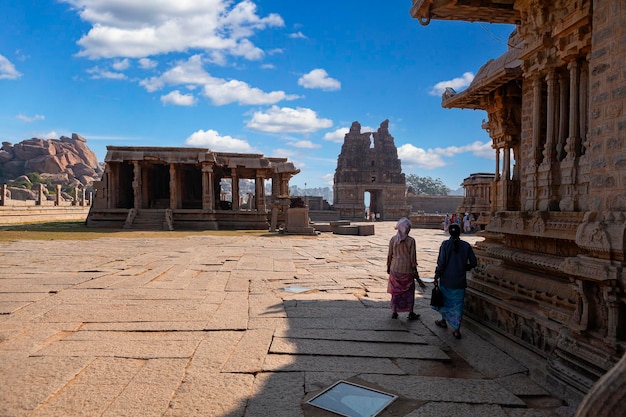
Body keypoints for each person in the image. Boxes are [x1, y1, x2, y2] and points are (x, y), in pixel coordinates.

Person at [432, 223, 477, 338]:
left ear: (449, 233)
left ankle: (443, 321)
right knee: (458, 305)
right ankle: (456, 329)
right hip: (459, 281)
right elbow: (473, 263)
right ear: (460, 232)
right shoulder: (466, 246)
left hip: (446, 280)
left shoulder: (445, 245)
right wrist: (464, 267)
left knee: (445, 301)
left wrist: (436, 276)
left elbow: (441, 263)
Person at [386, 217, 421, 321]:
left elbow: (389, 255)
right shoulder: (411, 241)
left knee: (395, 291)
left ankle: (395, 311)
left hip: (395, 268)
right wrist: (415, 270)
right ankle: (410, 311)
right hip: (407, 270)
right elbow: (412, 258)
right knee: (409, 292)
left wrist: (388, 266)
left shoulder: (393, 239)